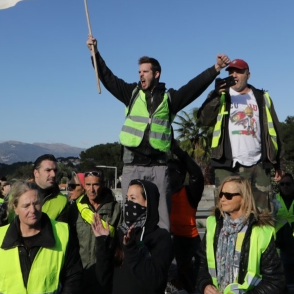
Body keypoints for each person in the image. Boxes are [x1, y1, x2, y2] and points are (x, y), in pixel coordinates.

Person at [88, 35, 228, 231]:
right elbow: (108, 78)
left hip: (159, 167)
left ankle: (160, 255)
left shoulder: (169, 99)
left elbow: (192, 88)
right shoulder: (131, 93)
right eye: (139, 72)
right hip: (132, 164)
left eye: (145, 71)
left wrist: (215, 69)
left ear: (157, 74)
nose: (141, 75)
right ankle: (132, 253)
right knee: (130, 216)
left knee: (162, 217)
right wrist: (94, 53)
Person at [197, 176, 285, 294]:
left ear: (243, 197)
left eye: (229, 195)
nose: (222, 198)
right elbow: (202, 264)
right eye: (221, 193)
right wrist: (204, 285)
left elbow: (275, 283)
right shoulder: (214, 225)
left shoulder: (263, 231)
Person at [93, 179, 173, 294]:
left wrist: (132, 249)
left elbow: (153, 279)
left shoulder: (161, 238)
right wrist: (102, 242)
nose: (128, 204)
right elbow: (104, 279)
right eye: (126, 198)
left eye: (134, 199)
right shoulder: (121, 232)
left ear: (148, 203)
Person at [199, 58, 283, 213]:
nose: (234, 75)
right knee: (226, 213)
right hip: (227, 165)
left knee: (262, 215)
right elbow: (204, 120)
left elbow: (275, 131)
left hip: (258, 165)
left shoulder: (261, 97)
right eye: (231, 72)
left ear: (248, 75)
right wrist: (217, 96)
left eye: (239, 71)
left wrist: (278, 163)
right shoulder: (221, 94)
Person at [75, 169, 123, 294]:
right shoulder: (75, 209)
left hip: (107, 276)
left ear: (102, 185)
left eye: (95, 184)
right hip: (82, 275)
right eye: (88, 185)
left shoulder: (115, 209)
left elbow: (121, 244)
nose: (91, 189)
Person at [168, 144, 205, 294]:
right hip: (169, 242)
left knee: (190, 285)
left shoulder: (189, 193)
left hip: (189, 244)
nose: (166, 175)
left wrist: (177, 151)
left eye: (170, 172)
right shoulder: (161, 194)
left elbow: (196, 174)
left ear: (181, 175)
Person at [273, 172, 294, 285]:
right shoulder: (273, 200)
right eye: (282, 184)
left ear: (293, 185)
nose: (285, 186)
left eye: (288, 184)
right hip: (281, 247)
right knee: (286, 282)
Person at [28, 154, 76, 226]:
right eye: (48, 170)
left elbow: (61, 232)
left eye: (55, 170)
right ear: (36, 173)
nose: (53, 174)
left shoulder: (62, 200)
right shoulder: (17, 195)